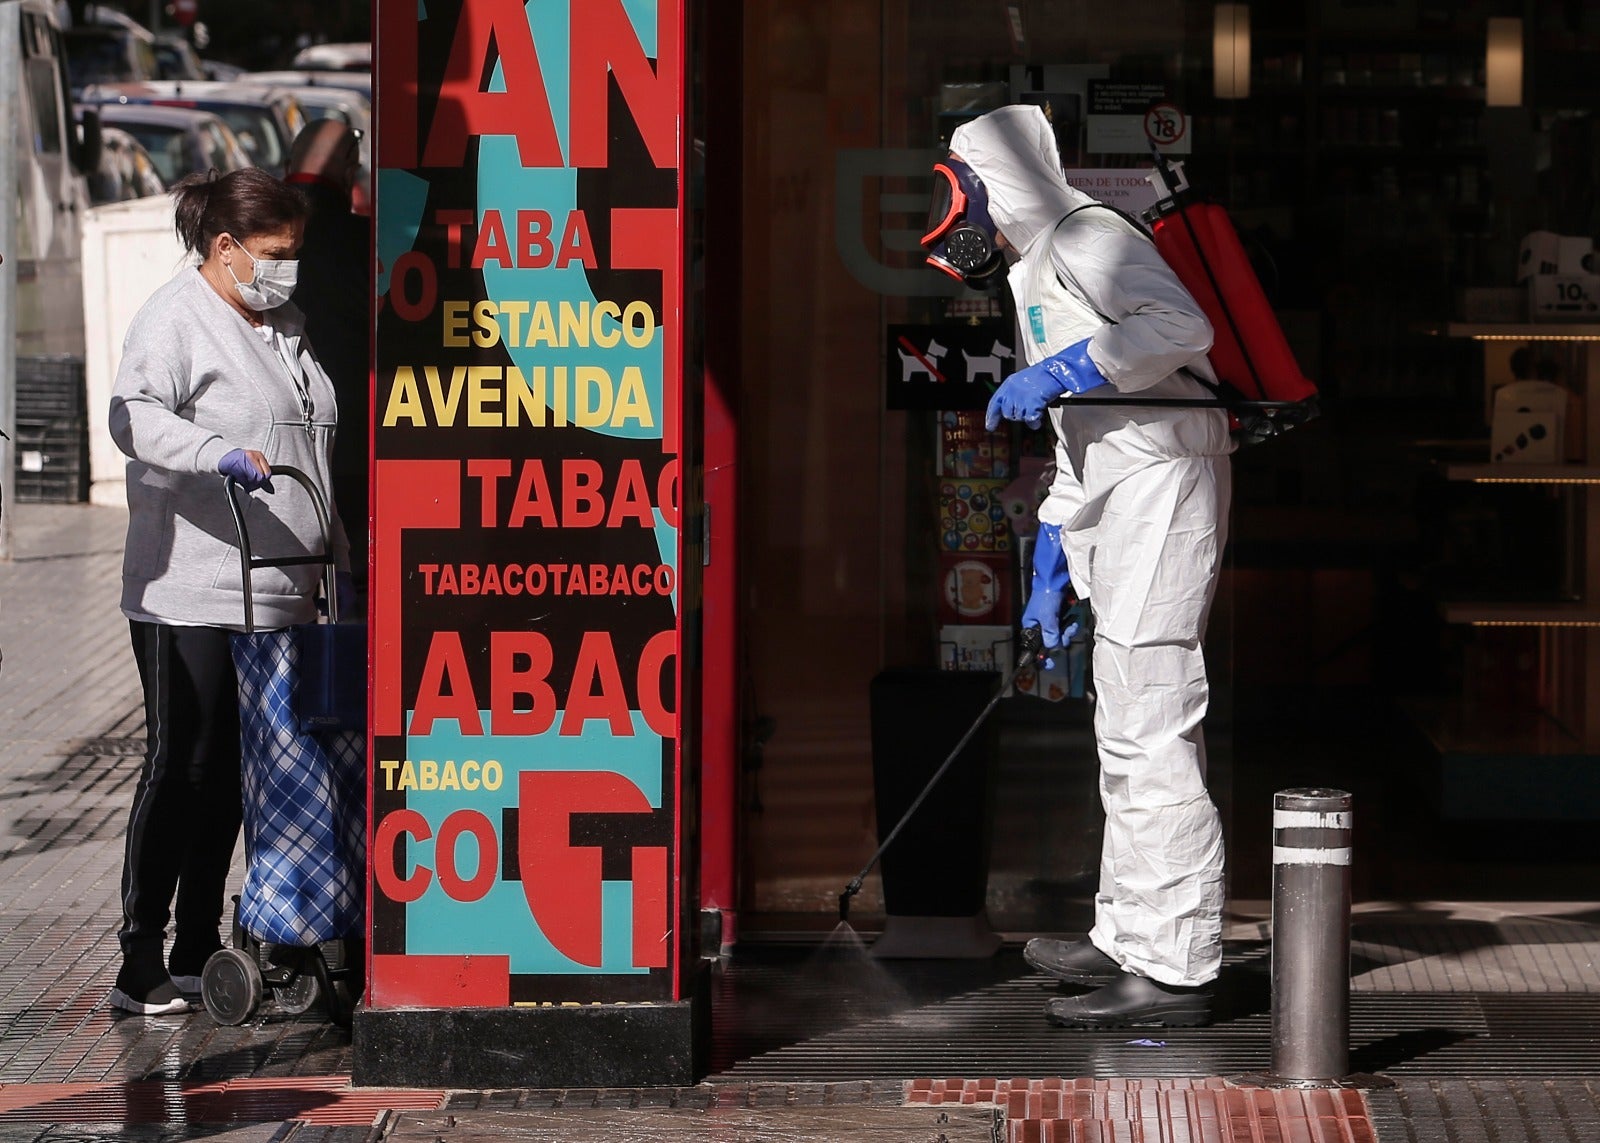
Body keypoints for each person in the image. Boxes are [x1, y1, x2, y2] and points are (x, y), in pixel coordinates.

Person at [925, 104, 1233, 1028]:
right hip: (1121, 484)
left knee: (1155, 713)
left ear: (993, 182)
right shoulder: (1036, 268)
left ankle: (1178, 964)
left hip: (1166, 475)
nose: (952, 213)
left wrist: (1060, 373)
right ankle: (1128, 931)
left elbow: (1181, 328)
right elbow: (1078, 432)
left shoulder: (1090, 234)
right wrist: (1056, 548)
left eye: (959, 189)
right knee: (1123, 725)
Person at [107, 167, 350, 1015]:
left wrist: (339, 557)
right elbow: (132, 414)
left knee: (246, 773)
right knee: (186, 763)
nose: (288, 267)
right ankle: (140, 957)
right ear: (225, 248)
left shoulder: (283, 324)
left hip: (284, 587)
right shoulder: (178, 317)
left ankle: (197, 941)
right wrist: (212, 453)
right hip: (193, 589)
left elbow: (312, 442)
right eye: (276, 253)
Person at [286, 119, 371, 604]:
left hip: (271, 456)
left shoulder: (248, 239)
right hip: (354, 444)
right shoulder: (366, 242)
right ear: (348, 171)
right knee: (350, 593)